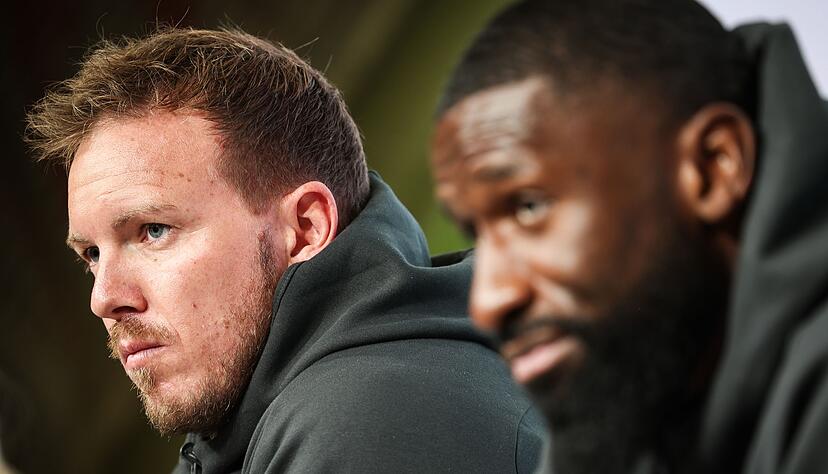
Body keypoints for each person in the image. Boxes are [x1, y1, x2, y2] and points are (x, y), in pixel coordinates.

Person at [26, 27, 544, 473]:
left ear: (305, 226)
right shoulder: (262, 423)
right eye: (92, 254)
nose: (103, 298)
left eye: (152, 231)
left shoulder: (375, 421)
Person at [431, 0, 828, 472]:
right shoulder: (621, 407)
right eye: (476, 230)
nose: (488, 301)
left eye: (529, 207)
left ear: (713, 168)